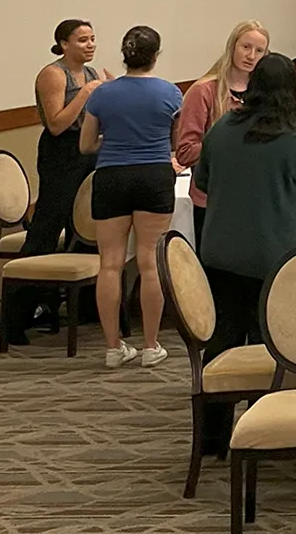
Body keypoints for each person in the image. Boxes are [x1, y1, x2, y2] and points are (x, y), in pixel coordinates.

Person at [192, 53, 296, 458]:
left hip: (221, 251)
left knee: (224, 340)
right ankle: (266, 429)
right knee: (270, 344)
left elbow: (202, 179)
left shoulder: (223, 128)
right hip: (276, 258)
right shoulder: (295, 139)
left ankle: (211, 438)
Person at [77, 26, 181, 369]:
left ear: (124, 55)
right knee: (150, 261)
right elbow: (176, 143)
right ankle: (151, 345)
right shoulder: (170, 93)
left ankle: (112, 347)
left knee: (110, 263)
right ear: (156, 55)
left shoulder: (103, 95)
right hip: (154, 174)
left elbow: (86, 145)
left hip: (111, 176)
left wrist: (116, 141)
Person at [4, 19, 111, 345]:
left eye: (92, 39)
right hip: (61, 155)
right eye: (82, 40)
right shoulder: (53, 74)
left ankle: (85, 309)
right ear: (64, 44)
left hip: (90, 150)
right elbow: (57, 124)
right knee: (46, 230)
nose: (90, 45)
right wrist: (87, 95)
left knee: (88, 229)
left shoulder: (93, 74)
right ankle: (15, 317)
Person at [174, 20, 269, 249]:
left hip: (255, 200)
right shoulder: (204, 91)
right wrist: (228, 144)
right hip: (212, 202)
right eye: (246, 47)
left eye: (259, 51)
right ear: (232, 47)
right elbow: (185, 152)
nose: (251, 56)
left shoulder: (265, 93)